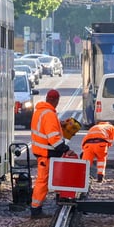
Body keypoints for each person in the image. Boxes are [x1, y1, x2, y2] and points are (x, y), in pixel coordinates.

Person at [29, 89, 70, 217]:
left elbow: (45, 130)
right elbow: (53, 138)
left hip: (42, 152)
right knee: (42, 182)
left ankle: (54, 199)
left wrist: (60, 124)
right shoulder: (49, 114)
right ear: (56, 101)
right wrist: (66, 149)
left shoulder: (40, 111)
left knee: (48, 178)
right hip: (46, 153)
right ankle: (36, 209)